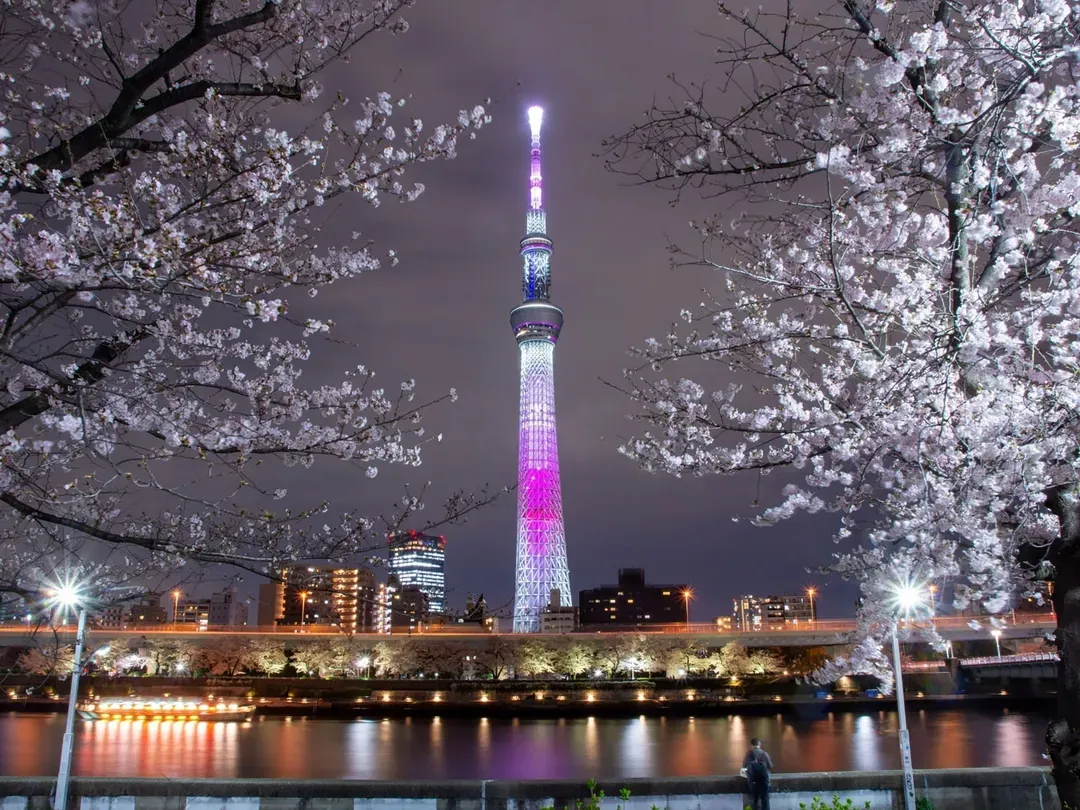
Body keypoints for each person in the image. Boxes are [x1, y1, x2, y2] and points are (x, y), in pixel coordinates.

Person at [742, 738, 773, 810]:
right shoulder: (764, 754)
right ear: (759, 744)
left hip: (753, 782)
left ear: (751, 745)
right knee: (765, 801)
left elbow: (744, 765)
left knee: (754, 801)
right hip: (764, 781)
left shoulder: (749, 754)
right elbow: (770, 766)